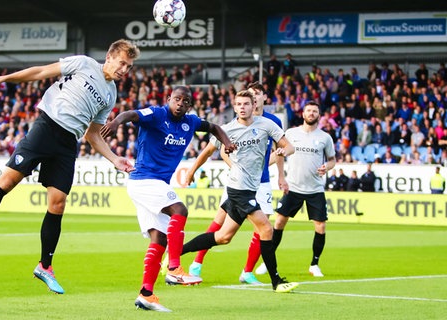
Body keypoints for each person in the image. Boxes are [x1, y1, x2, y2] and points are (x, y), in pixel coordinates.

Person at [0, 39, 141, 294]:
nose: (124, 70)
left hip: (68, 144)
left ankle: (45, 266)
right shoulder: (85, 64)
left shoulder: (111, 94)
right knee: (8, 181)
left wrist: (114, 158)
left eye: (129, 67)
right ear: (109, 57)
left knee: (58, 204)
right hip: (47, 128)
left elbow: (93, 134)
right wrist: (4, 79)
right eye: (122, 63)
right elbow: (41, 71)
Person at [101, 86, 235, 312]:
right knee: (180, 211)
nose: (180, 103)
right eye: (176, 99)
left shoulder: (191, 122)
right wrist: (116, 122)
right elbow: (131, 114)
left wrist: (227, 142)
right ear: (169, 99)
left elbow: (213, 127)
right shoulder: (156, 114)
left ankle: (146, 294)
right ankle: (174, 268)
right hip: (144, 179)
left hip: (155, 184)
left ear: (189, 106)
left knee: (159, 239)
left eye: (185, 101)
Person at [180, 90, 298, 293]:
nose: (242, 107)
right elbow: (207, 152)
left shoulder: (267, 125)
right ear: (234, 107)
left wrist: (282, 151)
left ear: (254, 105)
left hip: (251, 189)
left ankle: (174, 255)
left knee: (223, 237)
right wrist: (191, 171)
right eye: (238, 104)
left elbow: (290, 147)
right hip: (238, 189)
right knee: (267, 229)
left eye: (246, 103)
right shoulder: (226, 130)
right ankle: (276, 281)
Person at [258, 101, 336, 278]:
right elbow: (279, 153)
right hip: (292, 187)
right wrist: (281, 177)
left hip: (315, 189)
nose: (311, 113)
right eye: (308, 110)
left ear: (318, 115)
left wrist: (327, 166)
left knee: (321, 226)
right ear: (303, 114)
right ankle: (267, 261)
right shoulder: (291, 134)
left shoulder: (325, 137)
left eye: (314, 111)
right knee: (278, 223)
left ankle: (314, 264)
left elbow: (332, 159)